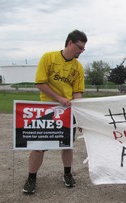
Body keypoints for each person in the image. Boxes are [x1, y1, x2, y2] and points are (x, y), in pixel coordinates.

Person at [22, 29, 87, 194]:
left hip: (68, 111)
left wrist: (79, 114)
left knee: (68, 145)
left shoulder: (78, 67)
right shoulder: (48, 58)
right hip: (47, 109)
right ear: (70, 43)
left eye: (83, 49)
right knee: (39, 146)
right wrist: (59, 98)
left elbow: (77, 92)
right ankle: (31, 178)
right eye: (80, 47)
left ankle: (67, 174)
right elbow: (40, 83)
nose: (81, 51)